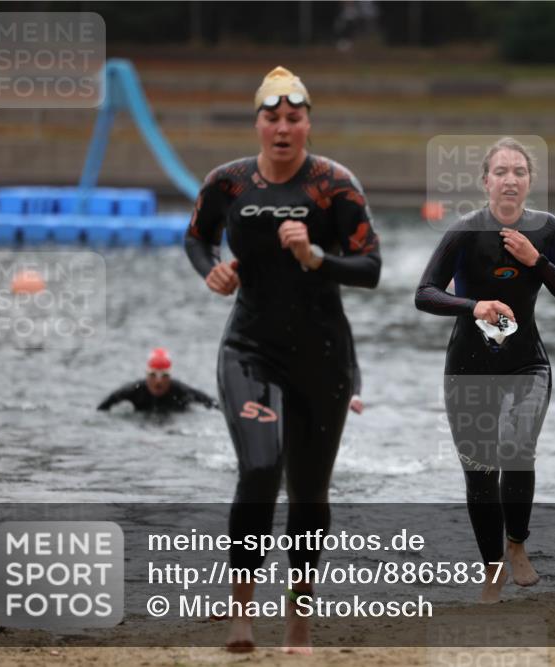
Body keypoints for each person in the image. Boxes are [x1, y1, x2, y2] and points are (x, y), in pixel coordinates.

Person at [183, 66, 381, 653]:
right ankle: (241, 616)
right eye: (273, 118)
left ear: (307, 125)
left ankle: (298, 622)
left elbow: (371, 267)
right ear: (259, 125)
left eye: (294, 118)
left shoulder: (335, 186)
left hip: (323, 357)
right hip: (249, 350)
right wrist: (210, 269)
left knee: (309, 492)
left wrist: (317, 256)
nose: (283, 128)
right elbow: (196, 237)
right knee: (260, 468)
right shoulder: (227, 183)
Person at [415, 137, 555, 603]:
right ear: (485, 181)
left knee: (517, 449)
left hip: (527, 362)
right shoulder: (464, 232)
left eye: (520, 172)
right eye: (502, 172)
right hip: (467, 367)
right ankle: (492, 567)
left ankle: (517, 545)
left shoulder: (547, 230)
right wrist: (473, 305)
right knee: (479, 471)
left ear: (530, 181)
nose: (511, 180)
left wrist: (538, 261)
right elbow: (424, 293)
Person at [97, 348, 218, 413]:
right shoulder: (135, 390)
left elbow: (214, 404)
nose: (158, 382)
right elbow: (102, 408)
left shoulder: (180, 391)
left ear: (170, 377)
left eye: (164, 376)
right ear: (146, 375)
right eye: (153, 375)